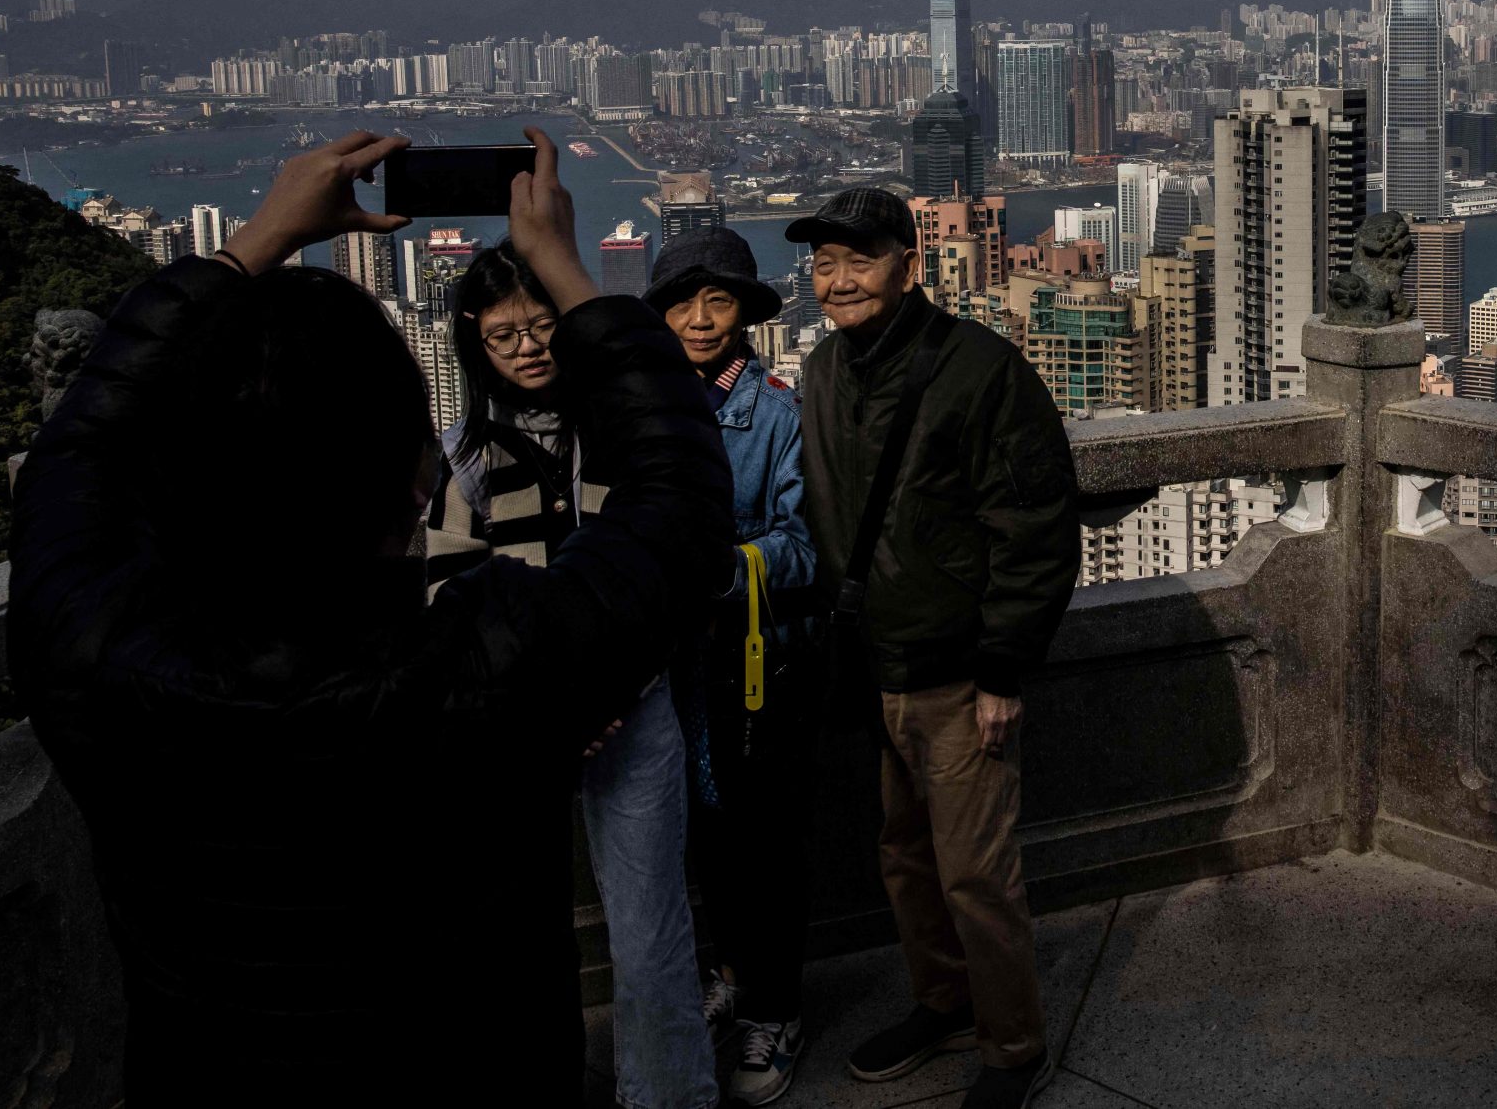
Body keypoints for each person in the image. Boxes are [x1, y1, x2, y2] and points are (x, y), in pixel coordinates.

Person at [7, 129, 732, 1105]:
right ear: (418, 475)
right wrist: (565, 266)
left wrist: (249, 242)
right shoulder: (493, 663)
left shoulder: (98, 658)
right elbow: (679, 502)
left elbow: (74, 448)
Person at [785, 187, 1080, 1109]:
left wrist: (1002, 669)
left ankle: (1011, 1047)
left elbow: (1034, 525)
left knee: (975, 874)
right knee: (905, 861)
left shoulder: (980, 368)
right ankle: (942, 1002)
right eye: (825, 264)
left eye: (859, 262)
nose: (839, 281)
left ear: (908, 266)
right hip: (877, 670)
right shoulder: (825, 371)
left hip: (959, 675)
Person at [429, 241, 717, 1109]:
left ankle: (669, 1097)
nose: (525, 347)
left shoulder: (615, 434)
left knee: (650, 925)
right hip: (513, 726)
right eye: (501, 335)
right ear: (476, 347)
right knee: (516, 933)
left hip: (632, 705)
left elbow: (668, 573)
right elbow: (446, 604)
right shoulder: (464, 459)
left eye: (540, 325)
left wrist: (600, 690)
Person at [643, 227, 821, 1108]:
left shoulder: (778, 416)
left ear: (748, 315)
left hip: (752, 670)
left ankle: (777, 1007)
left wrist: (722, 565)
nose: (700, 320)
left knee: (761, 846)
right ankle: (728, 975)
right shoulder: (641, 408)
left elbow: (806, 546)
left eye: (719, 302)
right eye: (682, 302)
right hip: (664, 669)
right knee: (692, 840)